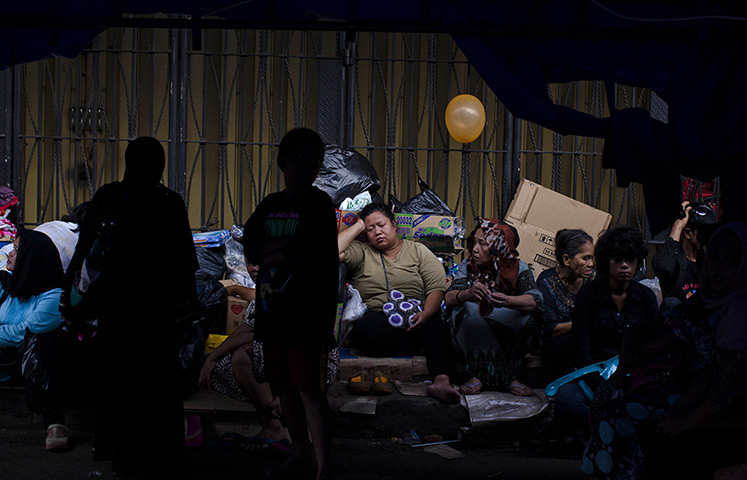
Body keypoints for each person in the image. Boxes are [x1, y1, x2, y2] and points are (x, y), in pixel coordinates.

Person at [61, 136, 199, 477]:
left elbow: (85, 253)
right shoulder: (169, 202)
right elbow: (185, 267)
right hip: (156, 315)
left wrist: (71, 299)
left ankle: (121, 454)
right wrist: (187, 310)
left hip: (116, 311)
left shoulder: (109, 197)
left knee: (118, 382)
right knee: (157, 388)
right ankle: (161, 456)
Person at [242, 128, 338, 480]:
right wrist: (276, 255)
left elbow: (307, 255)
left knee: (309, 391)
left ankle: (324, 467)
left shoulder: (318, 205)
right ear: (283, 162)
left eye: (313, 162)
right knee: (284, 388)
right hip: (272, 313)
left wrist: (273, 254)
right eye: (299, 159)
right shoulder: (271, 204)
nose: (306, 168)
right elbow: (252, 244)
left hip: (307, 316)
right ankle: (301, 455)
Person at [646, 222, 747, 479]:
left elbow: (729, 389)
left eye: (730, 260)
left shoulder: (739, 312)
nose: (719, 268)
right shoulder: (719, 302)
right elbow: (714, 373)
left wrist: (684, 421)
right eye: (715, 257)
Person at [338, 202, 461, 405]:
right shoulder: (362, 252)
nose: (377, 232)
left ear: (394, 225)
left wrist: (427, 313)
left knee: (436, 323)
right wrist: (359, 225)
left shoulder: (417, 250)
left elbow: (436, 288)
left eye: (381, 225)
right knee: (365, 331)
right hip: (379, 317)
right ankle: (421, 346)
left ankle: (441, 381)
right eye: (370, 229)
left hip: (415, 314)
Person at [553, 226, 659, 436]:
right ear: (606, 261)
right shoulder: (589, 295)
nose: (625, 266)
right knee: (567, 399)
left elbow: (652, 346)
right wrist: (601, 384)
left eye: (630, 260)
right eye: (618, 260)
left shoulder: (645, 297)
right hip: (594, 374)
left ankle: (611, 428)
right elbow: (580, 347)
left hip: (633, 376)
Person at [444, 217, 542, 396]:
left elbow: (535, 300)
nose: (474, 249)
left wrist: (507, 301)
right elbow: (450, 297)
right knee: (465, 311)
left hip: (508, 327)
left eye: (483, 244)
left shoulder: (519, 268)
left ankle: (510, 376)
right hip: (474, 331)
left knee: (528, 318)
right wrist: (468, 293)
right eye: (475, 242)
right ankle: (476, 375)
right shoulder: (468, 266)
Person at [198, 283, 290, 451]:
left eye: (258, 263)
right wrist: (232, 289)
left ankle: (275, 425)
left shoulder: (284, 286)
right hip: (283, 361)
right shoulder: (267, 285)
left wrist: (212, 357)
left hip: (302, 362)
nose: (254, 267)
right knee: (223, 365)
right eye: (250, 263)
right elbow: (248, 293)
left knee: (242, 356)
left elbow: (251, 330)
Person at [0, 229, 69, 451]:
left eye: (17, 249)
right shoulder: (9, 284)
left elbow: (26, 331)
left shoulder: (53, 295)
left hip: (30, 364)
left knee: (39, 344)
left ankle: (55, 421)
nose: (10, 253)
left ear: (31, 258)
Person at [537, 229, 595, 380]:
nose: (591, 264)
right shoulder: (546, 281)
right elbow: (552, 329)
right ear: (566, 260)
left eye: (592, 259)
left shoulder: (593, 279)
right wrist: (586, 322)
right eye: (586, 258)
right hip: (558, 348)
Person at [652, 201, 717, 310]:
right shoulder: (674, 257)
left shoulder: (707, 259)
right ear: (687, 233)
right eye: (704, 231)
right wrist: (678, 227)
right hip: (677, 317)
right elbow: (662, 267)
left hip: (703, 315)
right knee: (671, 302)